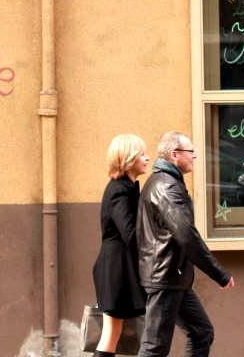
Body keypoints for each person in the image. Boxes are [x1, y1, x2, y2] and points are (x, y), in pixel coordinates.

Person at [136, 132, 234, 357]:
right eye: (190, 151)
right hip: (165, 279)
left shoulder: (167, 182)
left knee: (201, 332)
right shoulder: (167, 187)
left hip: (174, 277)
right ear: (174, 155)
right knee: (154, 348)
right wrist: (219, 274)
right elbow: (187, 236)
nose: (195, 156)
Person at [92, 134, 152, 357]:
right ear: (128, 158)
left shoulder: (126, 188)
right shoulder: (119, 190)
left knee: (114, 332)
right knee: (113, 333)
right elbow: (131, 234)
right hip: (118, 268)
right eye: (142, 154)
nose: (147, 158)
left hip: (120, 265)